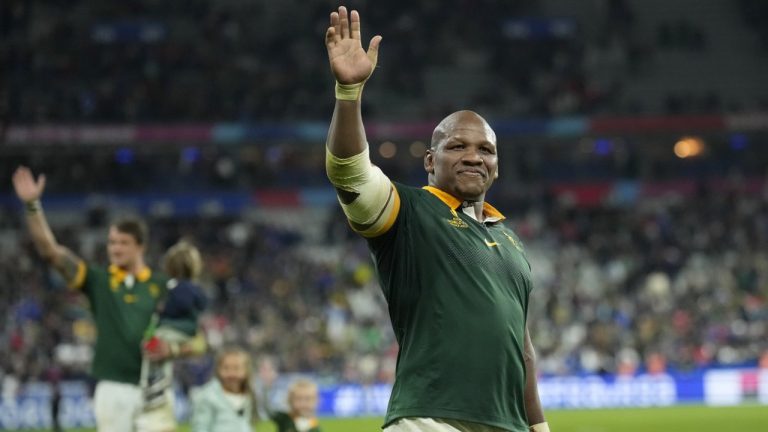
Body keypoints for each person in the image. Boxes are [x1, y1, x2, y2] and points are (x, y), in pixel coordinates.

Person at [324, 7, 549, 432]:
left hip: (508, 426)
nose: (473, 157)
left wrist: (539, 427)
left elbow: (522, 348)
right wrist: (348, 94)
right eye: (457, 146)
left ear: (497, 165)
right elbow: (348, 171)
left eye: (485, 150)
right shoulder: (408, 213)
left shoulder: (512, 242)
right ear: (430, 159)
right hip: (429, 420)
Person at [12, 166, 206, 432]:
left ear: (141, 246)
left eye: (123, 242)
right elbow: (50, 252)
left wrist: (171, 350)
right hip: (113, 390)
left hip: (156, 386)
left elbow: (199, 342)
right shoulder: (98, 281)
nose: (115, 248)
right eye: (111, 242)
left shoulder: (164, 285)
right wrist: (33, 205)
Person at [137, 240, 209, 432]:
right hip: (183, 333)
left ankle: (152, 394)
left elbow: (154, 316)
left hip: (161, 333)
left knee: (154, 364)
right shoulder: (194, 291)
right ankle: (155, 397)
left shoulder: (161, 289)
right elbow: (201, 342)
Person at [191, 346, 256, 432]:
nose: (231, 373)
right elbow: (200, 427)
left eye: (236, 368)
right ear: (218, 370)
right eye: (226, 368)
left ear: (246, 370)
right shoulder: (208, 396)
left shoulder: (247, 394)